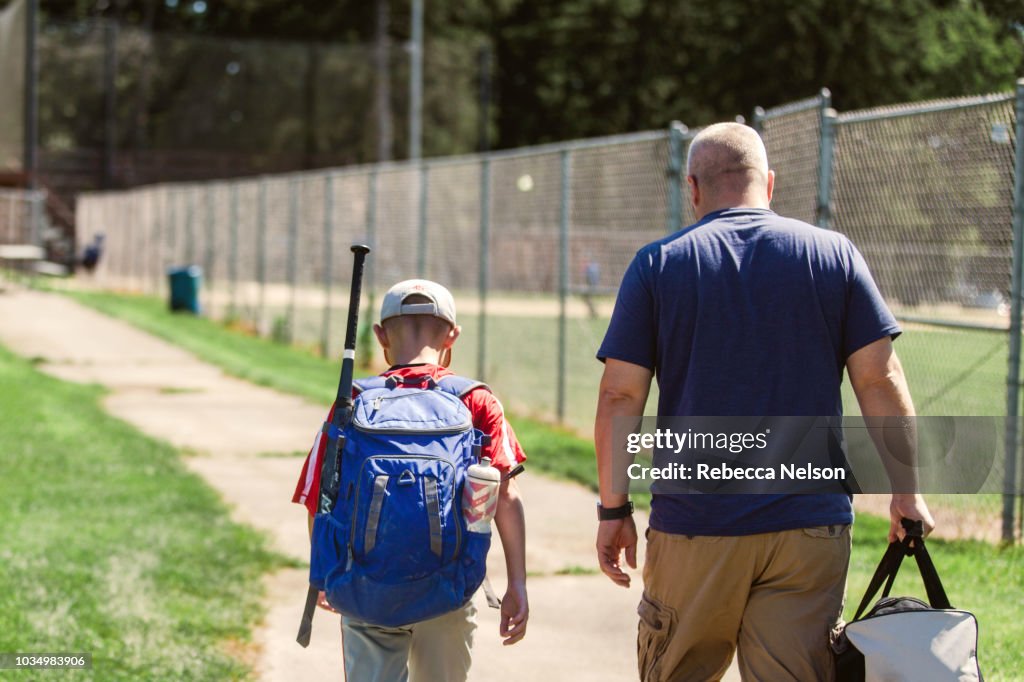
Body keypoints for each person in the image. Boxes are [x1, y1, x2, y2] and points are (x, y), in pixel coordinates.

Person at [593, 122, 935, 681]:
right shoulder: (834, 255)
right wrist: (907, 491)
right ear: (768, 184)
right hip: (809, 525)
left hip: (698, 523)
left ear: (694, 190)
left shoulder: (658, 265)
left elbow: (619, 394)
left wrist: (614, 509)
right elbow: (880, 379)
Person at [292, 279, 528, 682]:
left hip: (367, 589)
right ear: (453, 334)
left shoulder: (352, 401)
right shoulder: (477, 401)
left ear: (381, 335)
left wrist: (328, 575)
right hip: (450, 589)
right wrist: (517, 584)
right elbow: (504, 495)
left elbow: (319, 498)